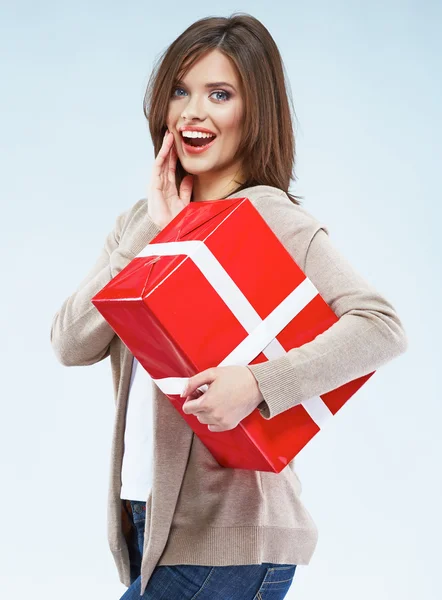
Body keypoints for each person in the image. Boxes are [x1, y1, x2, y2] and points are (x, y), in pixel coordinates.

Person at [50, 13, 408, 600]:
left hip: (232, 540)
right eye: (180, 90)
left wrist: (259, 383)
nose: (193, 112)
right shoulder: (141, 220)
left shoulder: (270, 216)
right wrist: (158, 239)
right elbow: (71, 343)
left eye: (220, 94)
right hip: (151, 526)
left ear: (255, 110)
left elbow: (380, 327)